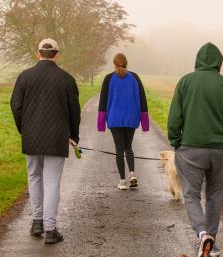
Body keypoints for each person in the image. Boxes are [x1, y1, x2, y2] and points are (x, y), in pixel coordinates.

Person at [167, 43, 223, 257]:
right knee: (215, 195)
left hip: (190, 149)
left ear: (198, 60)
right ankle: (211, 243)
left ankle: (202, 235)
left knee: (190, 195)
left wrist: (177, 143)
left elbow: (174, 118)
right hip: (219, 150)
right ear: (219, 62)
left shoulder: (185, 82)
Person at [10, 38, 81, 245]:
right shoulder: (66, 79)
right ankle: (50, 229)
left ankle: (37, 222)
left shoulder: (25, 77)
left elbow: (16, 106)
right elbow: (74, 112)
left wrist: (24, 129)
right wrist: (73, 135)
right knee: (51, 181)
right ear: (57, 54)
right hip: (57, 137)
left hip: (31, 136)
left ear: (38, 53)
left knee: (34, 177)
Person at [97, 53, 149, 190]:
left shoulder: (109, 78)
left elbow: (103, 101)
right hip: (131, 117)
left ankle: (122, 181)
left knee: (119, 149)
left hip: (115, 118)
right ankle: (132, 174)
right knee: (128, 147)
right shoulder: (135, 77)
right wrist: (145, 122)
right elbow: (143, 99)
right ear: (127, 63)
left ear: (114, 64)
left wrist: (101, 123)